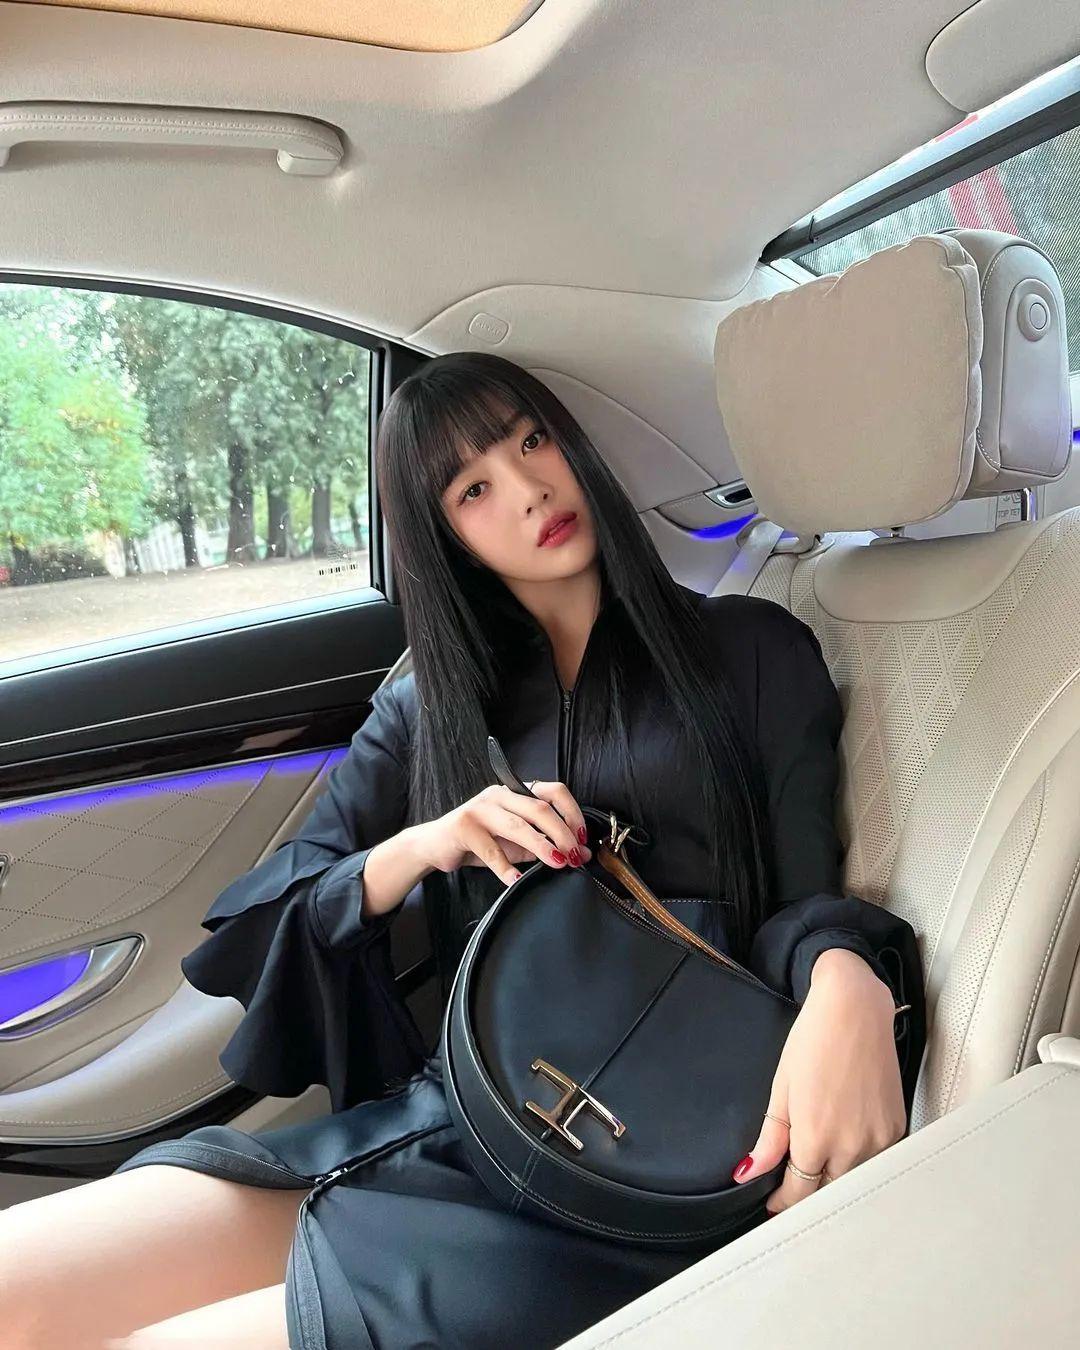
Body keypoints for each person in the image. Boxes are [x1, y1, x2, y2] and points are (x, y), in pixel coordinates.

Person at [0, 352, 924, 1349]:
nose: (528, 490)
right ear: (446, 535)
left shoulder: (752, 649)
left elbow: (801, 898)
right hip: (459, 1117)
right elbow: (272, 913)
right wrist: (425, 846)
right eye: (473, 488)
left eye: (534, 441)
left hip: (650, 1155)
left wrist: (850, 978)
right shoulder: (427, 708)